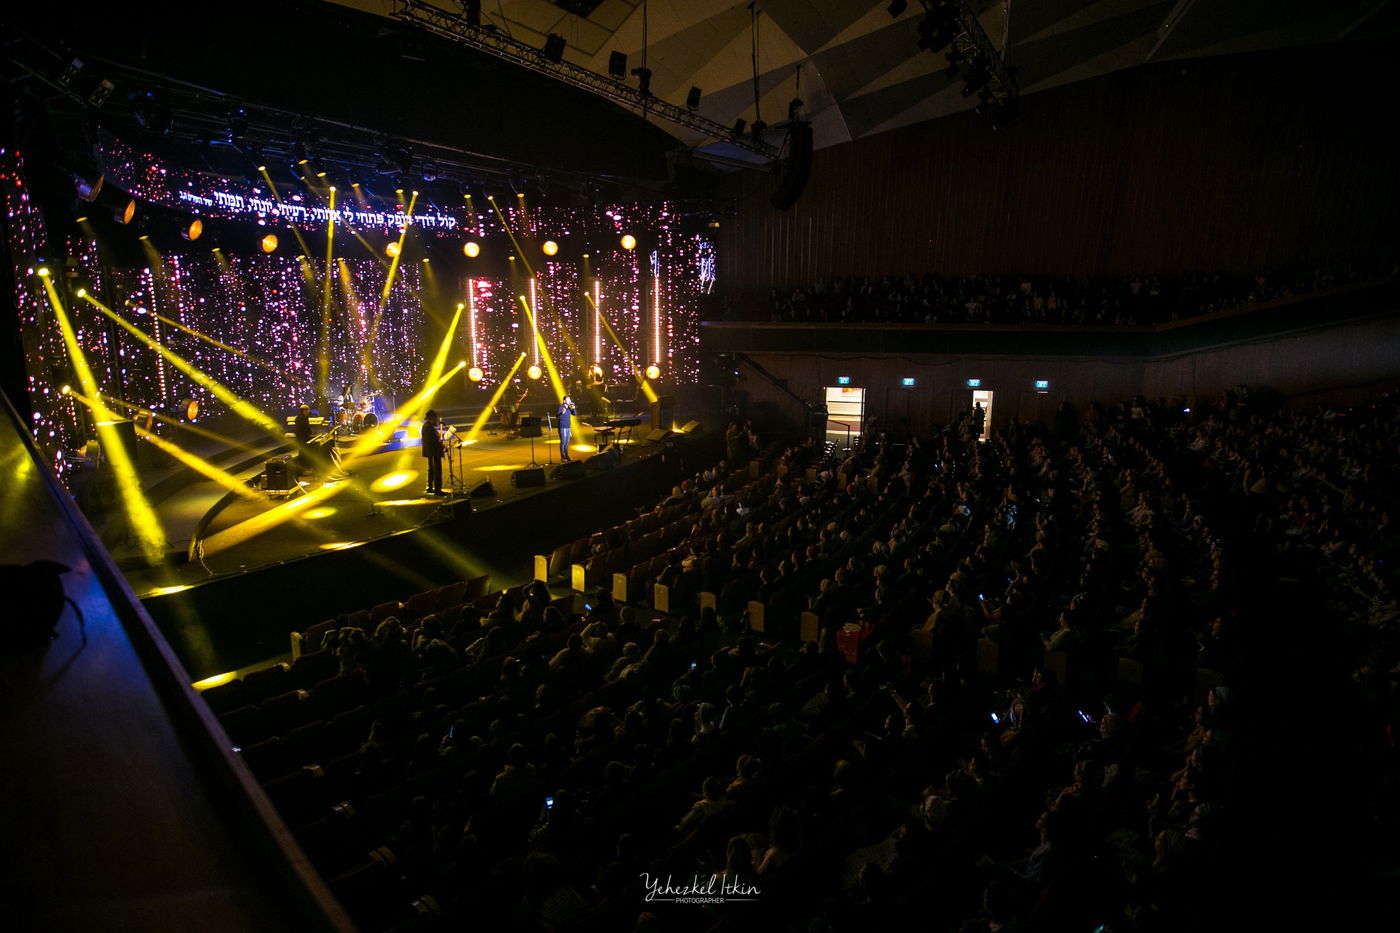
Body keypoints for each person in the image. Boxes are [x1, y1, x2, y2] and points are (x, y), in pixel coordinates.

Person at [421, 409, 445, 495]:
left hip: (431, 452)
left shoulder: (427, 426)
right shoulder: (428, 428)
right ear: (432, 418)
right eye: (435, 418)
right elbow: (433, 442)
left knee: (431, 470)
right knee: (437, 471)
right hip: (434, 453)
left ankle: (429, 487)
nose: (436, 420)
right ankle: (437, 490)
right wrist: (441, 445)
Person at [293, 403, 314, 475]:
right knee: (303, 455)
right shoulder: (302, 418)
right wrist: (310, 434)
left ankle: (303, 470)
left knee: (303, 454)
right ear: (304, 410)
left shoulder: (301, 417)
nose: (309, 411)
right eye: (308, 410)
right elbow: (305, 429)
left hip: (302, 438)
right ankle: (302, 470)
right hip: (302, 439)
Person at [557, 395, 576, 461]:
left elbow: (574, 414)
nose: (570, 401)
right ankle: (562, 457)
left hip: (568, 427)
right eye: (568, 400)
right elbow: (557, 416)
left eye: (570, 400)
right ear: (564, 401)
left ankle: (567, 456)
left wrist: (573, 408)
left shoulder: (569, 408)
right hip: (562, 427)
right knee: (563, 442)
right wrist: (562, 412)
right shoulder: (561, 407)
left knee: (567, 443)